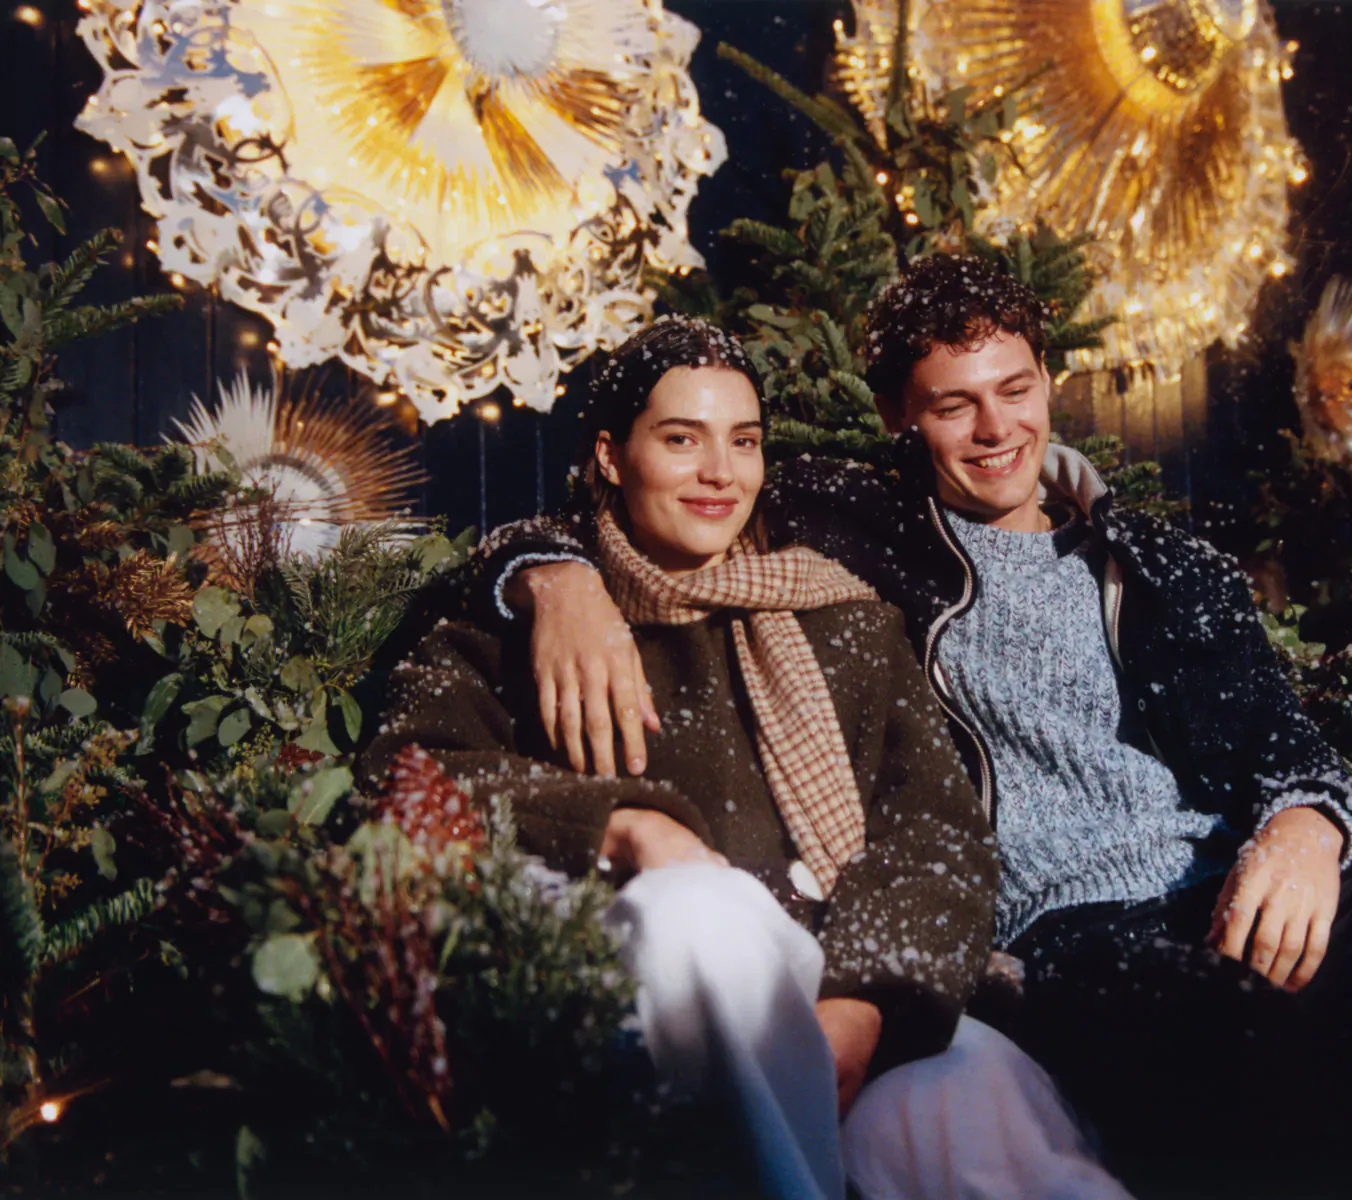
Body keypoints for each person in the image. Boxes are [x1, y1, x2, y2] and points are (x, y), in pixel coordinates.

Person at [484, 258, 1352, 1196]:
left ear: (1049, 381)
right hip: (1069, 937)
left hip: (1238, 880)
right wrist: (549, 577)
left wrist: (1305, 828)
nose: (996, 430)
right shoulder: (853, 527)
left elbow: (1286, 747)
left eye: (1015, 390)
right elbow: (644, 507)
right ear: (897, 415)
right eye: (954, 406)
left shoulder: (1159, 564)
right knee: (1212, 1031)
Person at [361, 316, 1134, 1200]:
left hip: (847, 978)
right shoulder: (530, 621)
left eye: (744, 441)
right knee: (699, 915)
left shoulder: (842, 618)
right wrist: (624, 828)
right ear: (612, 457)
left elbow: (939, 837)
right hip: (655, 996)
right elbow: (404, 779)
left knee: (967, 1099)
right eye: (682, 439)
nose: (720, 473)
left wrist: (865, 1004)